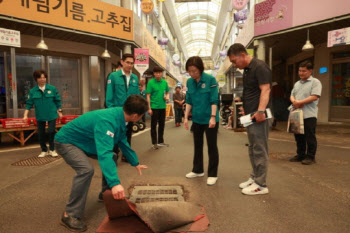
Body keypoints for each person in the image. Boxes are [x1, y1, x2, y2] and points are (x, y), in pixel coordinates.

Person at [55, 95, 148, 232]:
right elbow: (104, 153)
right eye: (141, 115)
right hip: (66, 141)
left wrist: (135, 162)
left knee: (113, 156)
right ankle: (70, 214)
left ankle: (106, 193)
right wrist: (115, 183)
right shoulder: (107, 121)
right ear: (135, 116)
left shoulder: (120, 116)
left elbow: (122, 141)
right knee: (86, 170)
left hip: (84, 141)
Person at [227, 43, 272, 195]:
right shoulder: (247, 70)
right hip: (250, 115)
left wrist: (260, 111)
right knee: (252, 147)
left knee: (260, 148)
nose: (234, 64)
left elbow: (265, 89)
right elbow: (251, 92)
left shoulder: (260, 67)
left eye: (234, 61)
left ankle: (261, 184)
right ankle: (255, 177)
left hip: (259, 115)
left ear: (242, 55)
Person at [184, 56, 220, 186]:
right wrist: (185, 117)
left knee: (212, 146)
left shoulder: (210, 79)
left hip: (210, 119)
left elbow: (214, 100)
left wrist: (212, 117)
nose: (192, 73)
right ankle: (198, 170)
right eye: (189, 71)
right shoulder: (189, 82)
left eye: (194, 70)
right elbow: (189, 100)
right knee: (197, 145)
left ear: (200, 69)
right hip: (197, 119)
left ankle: (212, 174)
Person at [105, 53, 140, 161]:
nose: (130, 65)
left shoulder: (134, 78)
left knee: (128, 134)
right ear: (122, 62)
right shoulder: (113, 76)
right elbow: (109, 94)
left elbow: (137, 95)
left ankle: (126, 155)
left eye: (132, 63)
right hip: (117, 111)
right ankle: (114, 154)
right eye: (128, 62)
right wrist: (110, 109)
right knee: (115, 134)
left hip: (130, 112)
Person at [23, 70, 62, 158]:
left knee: (51, 132)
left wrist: (60, 112)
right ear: (36, 79)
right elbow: (29, 104)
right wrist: (25, 115)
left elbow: (58, 101)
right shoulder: (33, 91)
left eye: (44, 77)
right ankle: (44, 150)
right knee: (41, 134)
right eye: (40, 77)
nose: (42, 79)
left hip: (52, 115)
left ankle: (52, 150)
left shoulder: (52, 89)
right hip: (40, 115)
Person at [289, 61, 322, 165]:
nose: (301, 73)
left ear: (310, 71)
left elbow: (315, 96)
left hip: (309, 114)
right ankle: (301, 154)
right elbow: (292, 94)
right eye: (299, 70)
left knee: (309, 136)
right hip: (296, 113)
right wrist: (294, 101)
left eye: (304, 71)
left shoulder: (315, 82)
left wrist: (300, 102)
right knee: (298, 136)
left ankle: (311, 157)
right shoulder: (297, 83)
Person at [146, 66, 170, 150]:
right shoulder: (150, 83)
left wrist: (167, 97)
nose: (158, 74)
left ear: (162, 73)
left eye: (159, 72)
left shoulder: (164, 82)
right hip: (154, 107)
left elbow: (167, 92)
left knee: (162, 125)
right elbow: (148, 96)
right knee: (153, 125)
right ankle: (154, 143)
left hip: (162, 107)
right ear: (154, 74)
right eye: (156, 73)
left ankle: (160, 141)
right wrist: (149, 108)